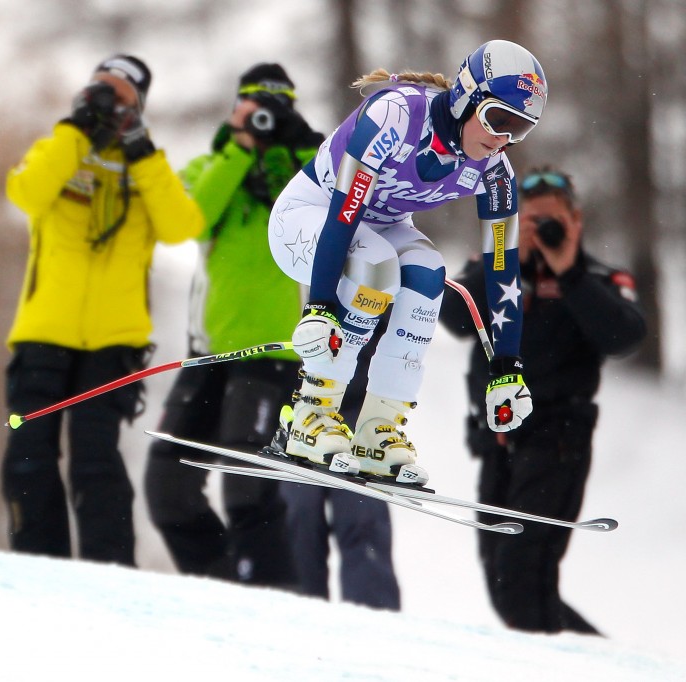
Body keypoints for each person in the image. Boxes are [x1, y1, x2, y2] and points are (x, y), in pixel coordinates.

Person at [267, 40, 548, 487]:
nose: (502, 138)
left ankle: (379, 427)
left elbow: (503, 268)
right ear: (465, 97)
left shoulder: (496, 171)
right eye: (498, 119)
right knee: (376, 266)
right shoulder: (394, 117)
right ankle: (310, 413)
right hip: (309, 216)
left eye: (520, 128)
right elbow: (345, 212)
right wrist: (319, 308)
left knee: (427, 270)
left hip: (377, 227)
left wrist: (507, 366)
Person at [1, 55, 204, 565]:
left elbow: (183, 225)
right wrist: (76, 130)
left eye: (119, 97)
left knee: (96, 460)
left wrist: (141, 149)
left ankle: (109, 572)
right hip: (44, 331)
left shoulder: (146, 165)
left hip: (114, 341)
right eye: (99, 91)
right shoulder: (61, 147)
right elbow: (24, 190)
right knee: (29, 456)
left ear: (139, 108)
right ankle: (36, 565)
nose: (107, 103)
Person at [439, 167, 647, 634]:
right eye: (530, 221)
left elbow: (623, 336)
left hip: (557, 439)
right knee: (505, 579)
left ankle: (590, 664)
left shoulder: (598, 277)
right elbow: (452, 316)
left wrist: (568, 271)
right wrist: (506, 257)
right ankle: (604, 661)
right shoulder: (493, 266)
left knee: (521, 574)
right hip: (496, 438)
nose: (542, 231)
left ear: (576, 221)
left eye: (552, 222)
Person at [143, 63, 325, 586]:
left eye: (275, 106)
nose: (264, 115)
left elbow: (339, 212)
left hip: (273, 353)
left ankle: (273, 598)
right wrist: (241, 146)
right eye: (253, 104)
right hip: (208, 353)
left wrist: (294, 147)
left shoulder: (308, 168)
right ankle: (224, 590)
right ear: (235, 108)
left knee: (249, 491)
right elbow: (192, 218)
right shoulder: (211, 162)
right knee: (167, 488)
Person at [278, 314, 401, 610]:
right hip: (299, 406)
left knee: (362, 516)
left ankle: (373, 617)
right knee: (298, 516)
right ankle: (298, 613)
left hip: (356, 405)